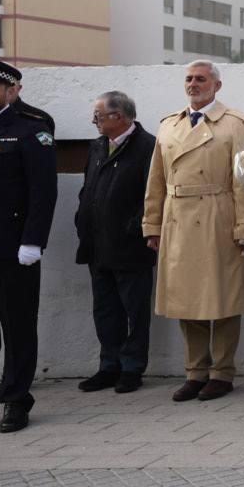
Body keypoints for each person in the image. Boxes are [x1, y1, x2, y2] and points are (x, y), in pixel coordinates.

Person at [142, 61, 244, 402]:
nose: (194, 84)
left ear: (217, 86)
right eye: (189, 79)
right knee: (185, 300)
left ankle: (222, 373)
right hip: (177, 219)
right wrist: (152, 225)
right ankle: (195, 372)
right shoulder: (169, 125)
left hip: (216, 216)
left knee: (223, 298)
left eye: (201, 79)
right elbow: (156, 180)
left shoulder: (234, 124)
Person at [0, 59, 56, 432]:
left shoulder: (30, 131)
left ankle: (15, 401)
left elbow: (43, 192)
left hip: (12, 251)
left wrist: (33, 241)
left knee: (18, 328)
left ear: (10, 92)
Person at [74, 91, 158, 394]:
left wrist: (135, 227)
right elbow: (89, 187)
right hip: (97, 243)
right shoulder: (98, 146)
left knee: (134, 309)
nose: (94, 121)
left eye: (99, 116)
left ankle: (132, 367)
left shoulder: (148, 146)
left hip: (130, 245)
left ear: (120, 117)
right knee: (105, 309)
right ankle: (109, 365)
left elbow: (152, 194)